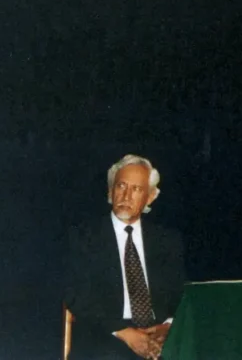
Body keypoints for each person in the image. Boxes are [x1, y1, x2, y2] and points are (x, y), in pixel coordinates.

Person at [64, 154, 186, 359]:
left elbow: (180, 293)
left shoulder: (167, 241)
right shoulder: (84, 237)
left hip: (158, 335)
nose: (126, 196)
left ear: (150, 197)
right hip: (106, 334)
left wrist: (167, 327)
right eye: (121, 186)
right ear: (110, 191)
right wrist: (125, 333)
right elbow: (76, 294)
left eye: (137, 189)